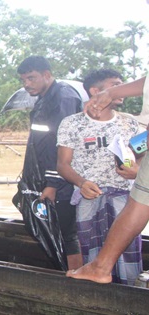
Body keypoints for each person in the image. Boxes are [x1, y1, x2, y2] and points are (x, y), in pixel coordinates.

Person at [57, 69, 143, 284]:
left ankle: (131, 296)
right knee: (92, 253)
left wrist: (137, 171)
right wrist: (81, 182)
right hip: (89, 198)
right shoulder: (72, 123)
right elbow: (63, 164)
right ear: (95, 91)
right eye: (114, 84)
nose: (120, 89)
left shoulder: (131, 123)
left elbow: (142, 156)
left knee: (129, 253)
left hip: (127, 199)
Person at [17, 56, 83, 269]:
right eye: (23, 80)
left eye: (31, 78)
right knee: (57, 228)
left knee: (66, 231)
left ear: (47, 75)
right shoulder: (44, 99)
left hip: (63, 177)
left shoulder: (62, 97)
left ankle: (74, 277)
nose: (27, 84)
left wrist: (53, 184)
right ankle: (65, 271)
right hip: (50, 175)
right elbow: (41, 144)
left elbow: (63, 143)